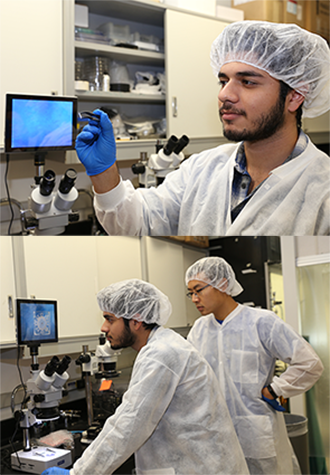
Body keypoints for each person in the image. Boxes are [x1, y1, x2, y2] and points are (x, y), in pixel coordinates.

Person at [75, 21, 330, 236]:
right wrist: (104, 171)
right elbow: (139, 223)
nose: (225, 94)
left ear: (295, 97)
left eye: (248, 81)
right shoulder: (202, 168)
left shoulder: (323, 189)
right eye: (223, 81)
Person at [41, 279, 249, 475]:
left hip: (198, 467)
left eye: (110, 319)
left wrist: (79, 473)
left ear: (137, 320)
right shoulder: (162, 345)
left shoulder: (161, 354)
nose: (104, 328)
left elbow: (128, 425)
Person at [185, 256, 324, 474]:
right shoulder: (199, 330)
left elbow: (309, 363)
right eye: (190, 293)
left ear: (222, 284)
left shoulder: (261, 322)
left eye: (198, 290)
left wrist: (275, 389)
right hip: (215, 435)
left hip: (255, 435)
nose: (194, 299)